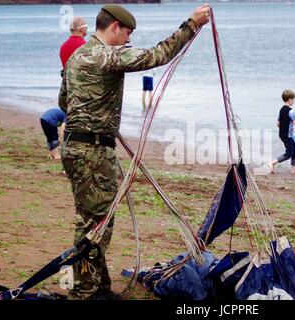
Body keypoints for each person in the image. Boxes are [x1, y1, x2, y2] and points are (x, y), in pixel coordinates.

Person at [58, 3, 210, 300]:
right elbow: (157, 55)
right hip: (92, 152)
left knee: (94, 220)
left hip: (77, 148)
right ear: (114, 26)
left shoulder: (77, 55)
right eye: (127, 33)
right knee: (95, 225)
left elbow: (64, 100)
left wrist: (94, 114)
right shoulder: (107, 56)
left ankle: (97, 287)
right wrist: (191, 25)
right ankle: (84, 293)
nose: (128, 40)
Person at [268, 89, 295, 175]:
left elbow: (278, 124)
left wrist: (285, 127)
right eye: (294, 99)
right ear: (290, 99)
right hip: (287, 135)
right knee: (289, 153)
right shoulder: (291, 111)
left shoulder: (281, 109)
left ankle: (294, 169)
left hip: (282, 134)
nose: (294, 101)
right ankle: (272, 163)